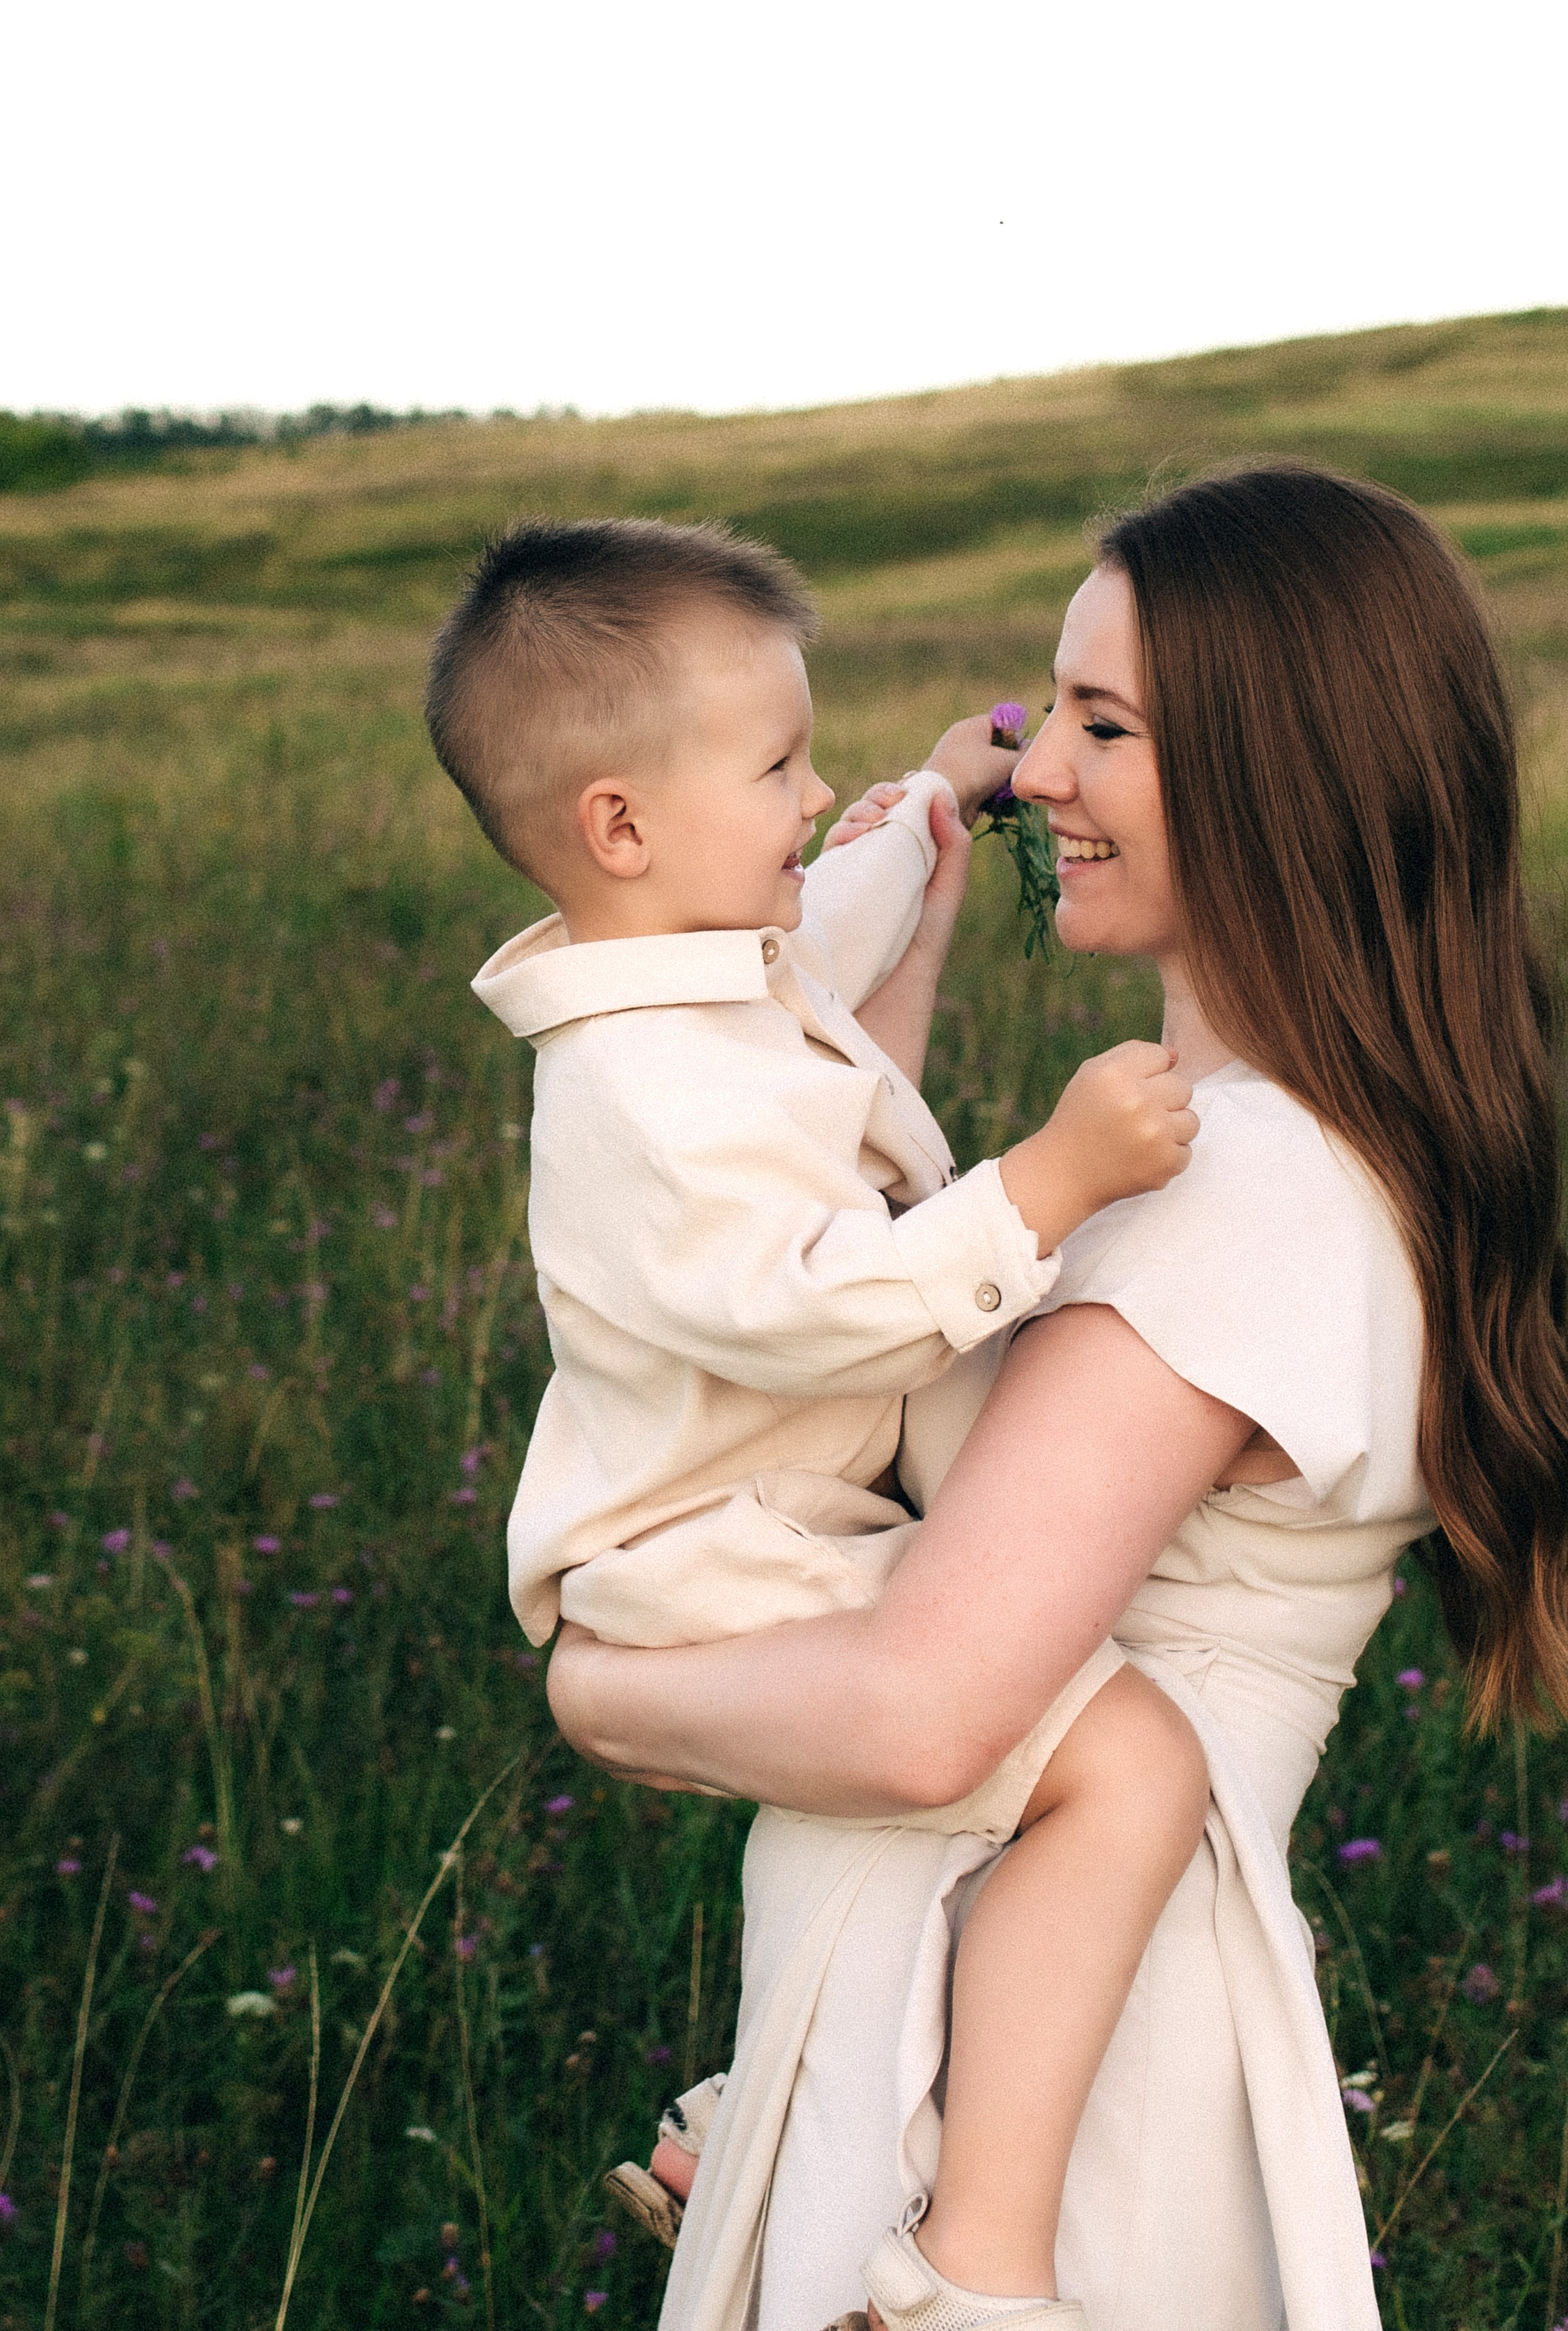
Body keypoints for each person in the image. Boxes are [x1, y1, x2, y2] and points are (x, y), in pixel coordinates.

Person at [547, 465, 1568, 2331]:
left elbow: (926, 1714)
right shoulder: (1282, 1156)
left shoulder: (1243, 1185)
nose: (1042, 778)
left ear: (1287, 772)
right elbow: (847, 1306)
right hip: (1010, 2025)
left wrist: (596, 1688)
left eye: (1109, 727)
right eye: (1049, 717)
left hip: (1073, 2107)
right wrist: (901, 939)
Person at [424, 515, 1209, 2331]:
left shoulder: (706, 945)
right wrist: (1047, 1184)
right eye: (777, 763)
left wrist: (924, 813)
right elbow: (810, 1301)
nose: (804, 795)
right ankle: (972, 2272)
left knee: (953, 1790)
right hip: (713, 1569)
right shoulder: (637, 1099)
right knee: (1120, 1764)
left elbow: (829, 921)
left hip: (777, 1529)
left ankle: (786, 2093)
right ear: (622, 827)